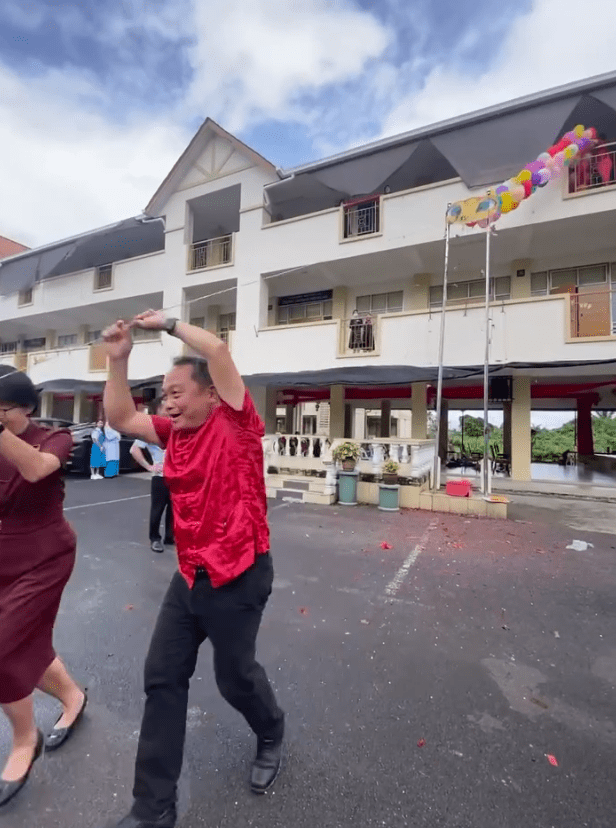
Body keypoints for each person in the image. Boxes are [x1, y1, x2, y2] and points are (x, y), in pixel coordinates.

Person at [99, 311, 284, 828]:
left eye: (179, 392)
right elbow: (119, 418)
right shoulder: (172, 435)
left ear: (209, 395)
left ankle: (270, 730)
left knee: (234, 678)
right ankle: (153, 808)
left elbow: (219, 353)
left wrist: (170, 324)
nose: (168, 402)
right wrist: (119, 360)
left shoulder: (238, 424)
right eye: (164, 395)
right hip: (191, 575)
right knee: (162, 676)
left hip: (242, 573)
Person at [0, 368, 87, 807]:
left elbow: (35, 470)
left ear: (28, 409)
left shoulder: (53, 438)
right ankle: (73, 696)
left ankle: (23, 740)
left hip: (45, 557)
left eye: (3, 411)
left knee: (3, 647)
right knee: (26, 639)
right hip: (2, 558)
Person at [130, 398, 174, 553]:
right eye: (165, 407)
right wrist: (149, 466)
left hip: (176, 476)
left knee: (174, 509)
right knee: (158, 509)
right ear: (158, 411)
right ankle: (154, 538)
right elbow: (134, 449)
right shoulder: (151, 429)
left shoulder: (174, 426)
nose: (169, 409)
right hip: (160, 476)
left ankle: (170, 537)